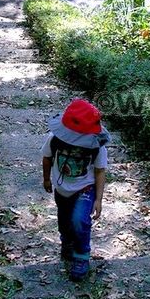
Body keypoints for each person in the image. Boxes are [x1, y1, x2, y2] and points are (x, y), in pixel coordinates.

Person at [42, 99, 109, 282]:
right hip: (61, 188)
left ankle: (82, 256)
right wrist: (46, 178)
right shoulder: (55, 139)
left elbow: (99, 170)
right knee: (64, 220)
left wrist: (98, 199)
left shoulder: (97, 145)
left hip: (85, 187)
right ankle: (67, 242)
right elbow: (47, 157)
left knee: (80, 221)